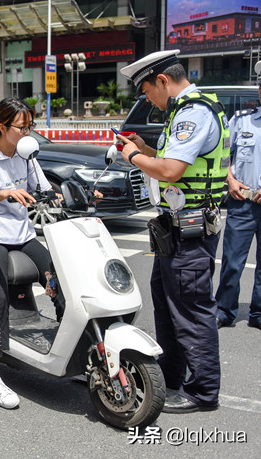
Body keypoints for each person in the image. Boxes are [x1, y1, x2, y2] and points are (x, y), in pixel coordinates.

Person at [118, 49, 228, 413]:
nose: (148, 99)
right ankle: (172, 378)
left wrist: (133, 157)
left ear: (163, 81)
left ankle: (202, 392)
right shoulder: (183, 111)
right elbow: (169, 159)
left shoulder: (193, 113)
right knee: (168, 306)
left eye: (148, 90)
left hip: (189, 230)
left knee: (191, 310)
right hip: (174, 231)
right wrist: (143, 147)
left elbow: (169, 171)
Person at [0, 97, 65, 409]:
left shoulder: (27, 155)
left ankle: (65, 351)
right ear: (2, 127)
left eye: (30, 126)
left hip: (21, 235)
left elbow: (44, 188)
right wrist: (5, 191)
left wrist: (61, 195)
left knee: (60, 279)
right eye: (22, 127)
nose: (27, 132)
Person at [215, 62, 261, 331]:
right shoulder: (241, 120)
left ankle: (258, 313)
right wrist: (230, 180)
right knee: (232, 262)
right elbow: (222, 157)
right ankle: (224, 310)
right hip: (242, 201)